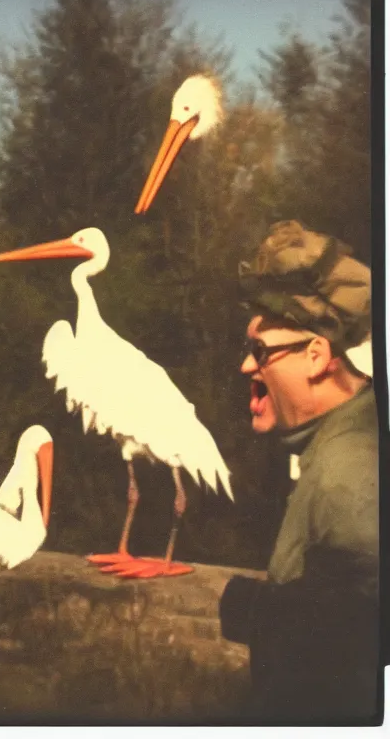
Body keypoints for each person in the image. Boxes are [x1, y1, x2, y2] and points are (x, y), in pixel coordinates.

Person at [218, 219, 380, 721]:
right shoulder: (338, 447)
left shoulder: (347, 475)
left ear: (316, 356)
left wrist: (269, 614)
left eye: (260, 351)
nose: (248, 367)